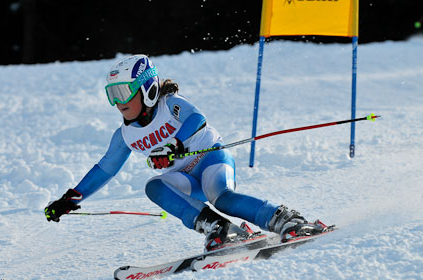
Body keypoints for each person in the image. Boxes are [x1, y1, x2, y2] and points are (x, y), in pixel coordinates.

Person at [44, 54, 325, 251]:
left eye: (124, 92)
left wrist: (175, 144)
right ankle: (221, 230)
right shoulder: (125, 135)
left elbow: (197, 118)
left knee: (222, 197)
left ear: (148, 89)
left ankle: (287, 219)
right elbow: (105, 169)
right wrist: (70, 199)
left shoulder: (170, 104)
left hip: (211, 159)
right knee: (154, 186)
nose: (119, 102)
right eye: (113, 94)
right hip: (184, 177)